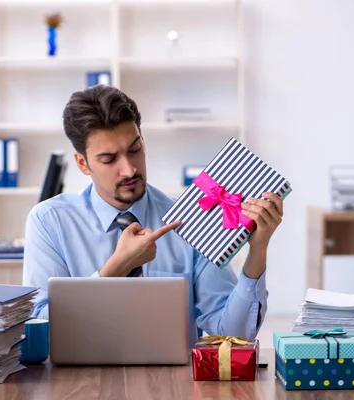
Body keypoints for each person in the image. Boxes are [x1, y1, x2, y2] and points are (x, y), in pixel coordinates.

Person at [22, 84, 284, 347]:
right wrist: (116, 268)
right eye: (109, 159)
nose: (129, 170)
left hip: (172, 382)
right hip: (81, 382)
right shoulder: (49, 221)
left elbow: (232, 334)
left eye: (134, 150)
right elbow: (38, 328)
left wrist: (258, 251)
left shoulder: (190, 220)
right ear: (82, 164)